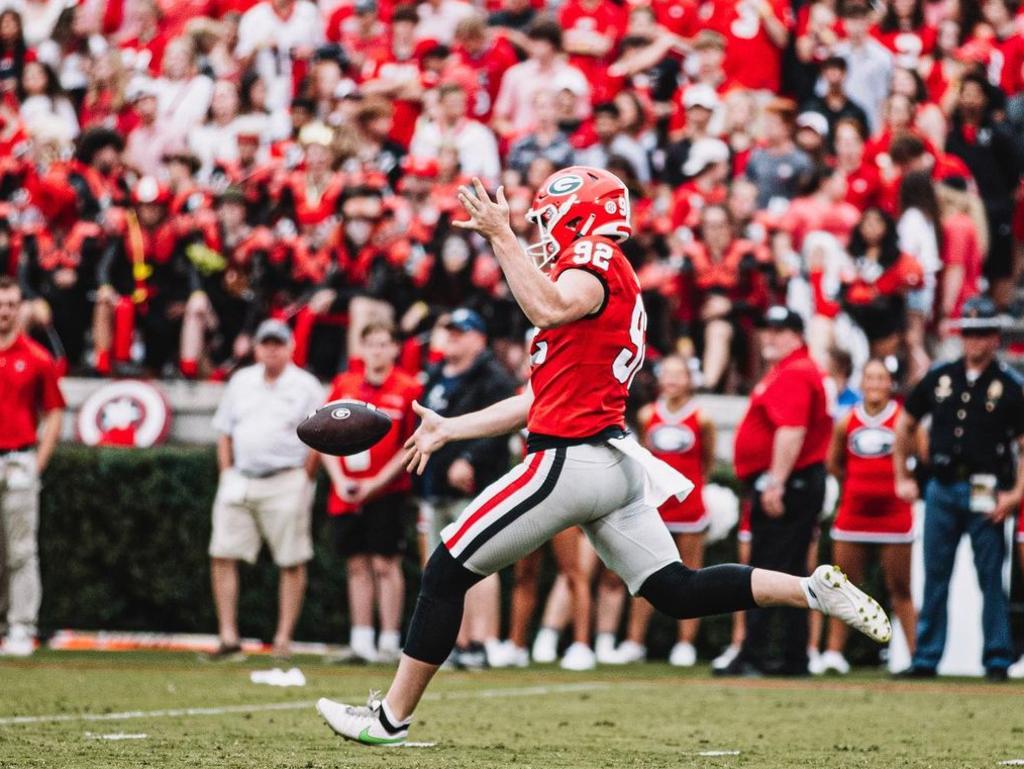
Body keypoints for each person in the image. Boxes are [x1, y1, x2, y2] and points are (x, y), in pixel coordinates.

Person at [316, 167, 891, 746]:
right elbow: (536, 398)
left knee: (444, 570)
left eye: (546, 220)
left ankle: (389, 718)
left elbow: (550, 308)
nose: (542, 233)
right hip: (610, 464)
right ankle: (811, 589)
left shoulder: (593, 255)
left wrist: (502, 237)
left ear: (581, 214)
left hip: (570, 462)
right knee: (676, 590)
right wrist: (451, 428)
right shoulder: (607, 273)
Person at [893, 296, 1024, 682]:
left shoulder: (1010, 386)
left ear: (994, 338)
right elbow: (905, 424)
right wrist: (902, 474)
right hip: (942, 483)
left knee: (989, 576)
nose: (974, 341)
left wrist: (1015, 493)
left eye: (981, 333)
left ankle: (997, 658)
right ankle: (926, 657)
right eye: (968, 333)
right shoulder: (940, 376)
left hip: (986, 485)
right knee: (935, 575)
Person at [719, 305, 834, 677]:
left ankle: (757, 654)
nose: (770, 336)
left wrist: (775, 482)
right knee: (790, 571)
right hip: (795, 482)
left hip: (790, 483)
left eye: (780, 330)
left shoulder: (795, 372)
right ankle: (790, 656)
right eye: (767, 328)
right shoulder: (789, 370)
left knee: (766, 573)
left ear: (797, 335)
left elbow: (791, 431)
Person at [207, 319, 323, 659]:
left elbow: (320, 436)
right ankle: (229, 637)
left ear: (290, 347)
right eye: (266, 343)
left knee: (291, 558)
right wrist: (227, 472)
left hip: (286, 477)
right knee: (222, 553)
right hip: (241, 477)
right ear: (256, 348)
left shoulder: (306, 385)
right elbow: (224, 431)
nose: (271, 349)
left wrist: (306, 477)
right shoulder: (241, 381)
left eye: (278, 343)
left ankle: (283, 639)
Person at [416, 308, 516, 668]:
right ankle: (455, 643)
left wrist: (470, 459)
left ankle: (482, 641)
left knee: (478, 564)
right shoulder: (436, 376)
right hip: (436, 486)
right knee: (439, 568)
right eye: (449, 330)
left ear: (479, 338)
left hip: (475, 487)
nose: (452, 337)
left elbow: (502, 425)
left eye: (461, 331)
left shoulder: (494, 377)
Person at [321, 322, 421, 663]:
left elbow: (411, 444)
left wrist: (378, 482)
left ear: (395, 349)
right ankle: (361, 639)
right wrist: (338, 478)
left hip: (387, 490)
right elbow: (323, 436)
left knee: (385, 563)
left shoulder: (408, 388)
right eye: (371, 345)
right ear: (361, 349)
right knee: (357, 564)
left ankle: (390, 640)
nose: (377, 351)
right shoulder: (344, 384)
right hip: (347, 490)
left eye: (384, 344)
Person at [615, 355, 715, 667]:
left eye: (678, 374)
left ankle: (685, 644)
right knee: (646, 574)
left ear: (690, 379)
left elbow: (706, 461)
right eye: (666, 374)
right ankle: (634, 641)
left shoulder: (702, 418)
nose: (671, 380)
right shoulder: (647, 415)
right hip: (656, 506)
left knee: (691, 573)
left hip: (690, 507)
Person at [821, 358, 915, 675]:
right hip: (853, 514)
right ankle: (834, 653)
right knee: (842, 585)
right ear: (861, 383)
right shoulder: (846, 422)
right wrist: (857, 485)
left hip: (894, 516)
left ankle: (915, 656)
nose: (875, 384)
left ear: (891, 384)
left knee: (900, 587)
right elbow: (833, 463)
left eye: (881, 378)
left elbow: (921, 457)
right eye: (869, 378)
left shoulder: (903, 420)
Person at [0, 277, 64, 657]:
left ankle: (22, 626)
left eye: (10, 304)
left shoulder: (38, 358)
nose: (4, 311)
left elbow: (54, 413)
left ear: (20, 308)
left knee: (21, 550)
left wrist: (37, 462)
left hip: (18, 459)